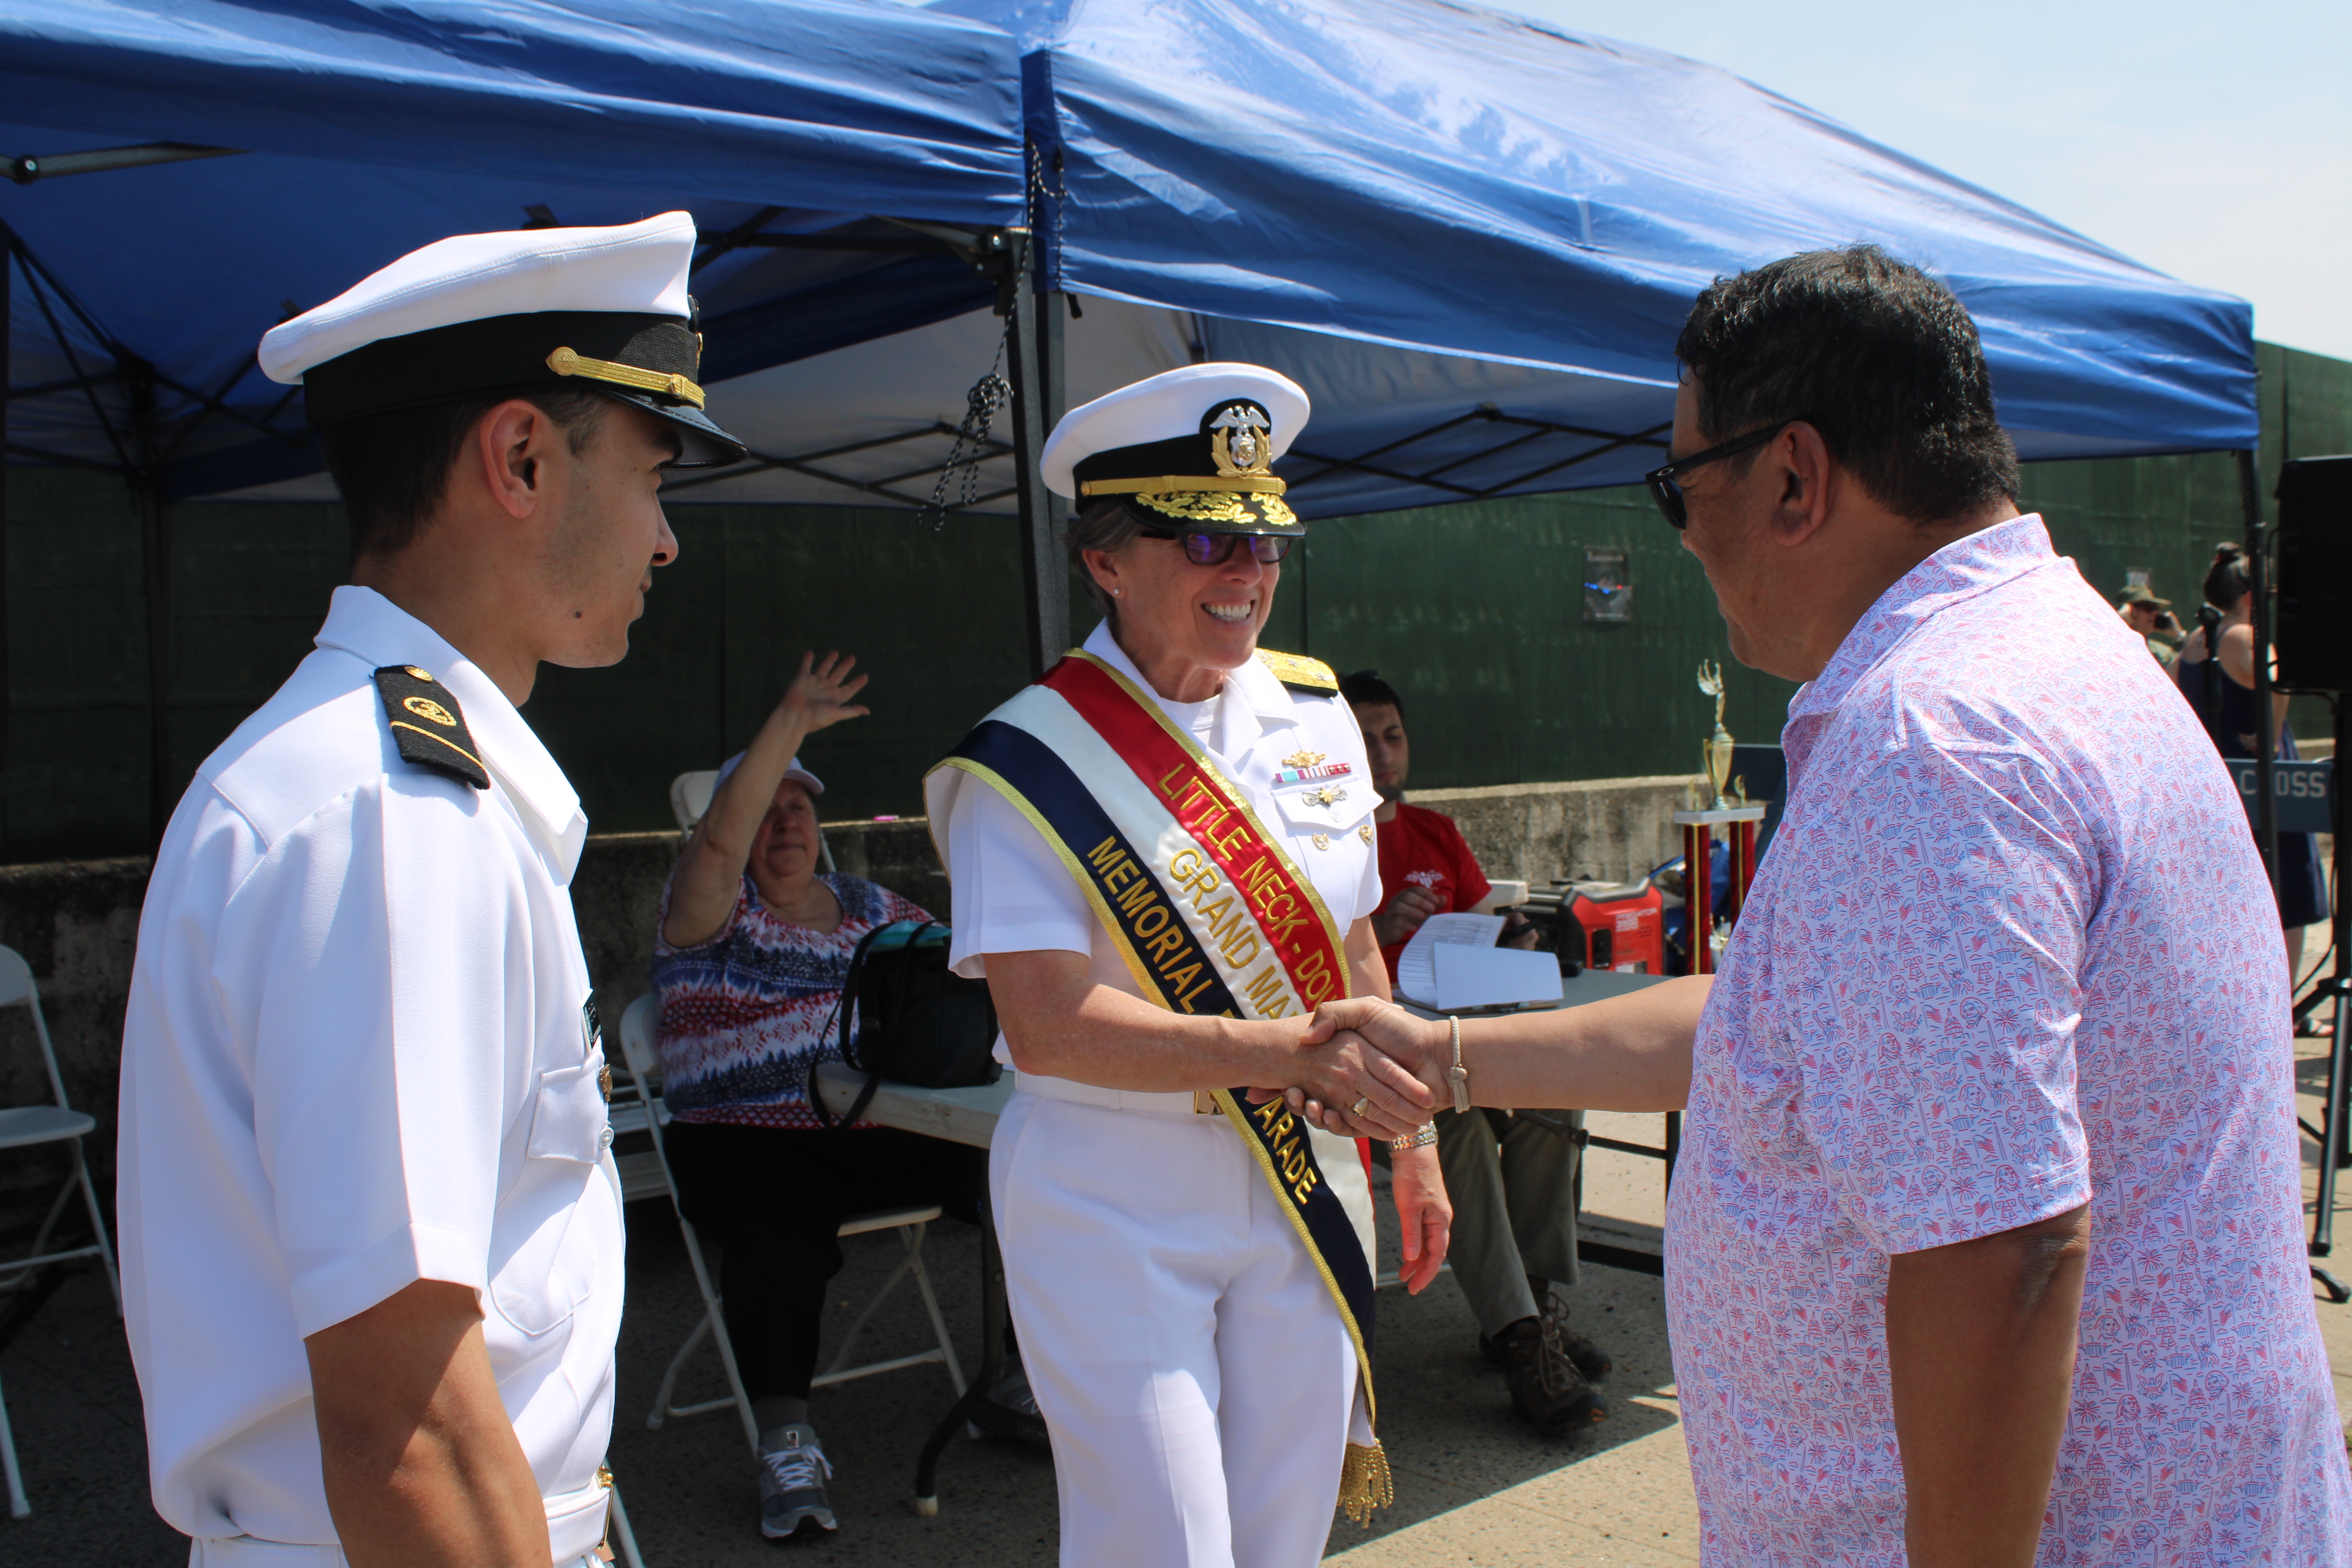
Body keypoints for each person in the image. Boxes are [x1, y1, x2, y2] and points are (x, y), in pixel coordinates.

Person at [1302, 247, 2352, 1565]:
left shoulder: (1935, 741)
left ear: (1792, 477)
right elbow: (1776, 1022)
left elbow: (2005, 1248)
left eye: (1680, 484)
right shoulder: (2048, 652)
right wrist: (1448, 1055)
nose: (1676, 532)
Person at [117, 213, 745, 1566]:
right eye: (652, 475)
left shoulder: (365, 781)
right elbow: (410, 1431)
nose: (665, 540)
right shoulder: (394, 820)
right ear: (520, 457)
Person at [926, 363, 1451, 1568]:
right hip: (1112, 1185)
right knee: (1160, 1541)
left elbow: (1356, 941)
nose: (1247, 574)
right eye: (1207, 541)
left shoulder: (1315, 711)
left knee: (1281, 1534)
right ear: (1105, 559)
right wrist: (1284, 1052)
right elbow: (1049, 1024)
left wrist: (1411, 1140)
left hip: (1301, 1171)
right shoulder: (1029, 758)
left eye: (1262, 541)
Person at [651, 659, 1007, 1540]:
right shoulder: (707, 909)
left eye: (799, 807)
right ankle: (786, 1440)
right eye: (766, 806)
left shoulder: (870, 905)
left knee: (1031, 1155)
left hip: (873, 1127)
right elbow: (722, 847)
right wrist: (787, 729)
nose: (785, 823)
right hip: (745, 1139)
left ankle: (1031, 1377)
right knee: (778, 1212)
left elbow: (946, 982)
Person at [1339, 668, 1609, 1438]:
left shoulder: (1436, 834)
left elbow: (1473, 937)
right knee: (1447, 1121)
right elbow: (1298, 968)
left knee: (1557, 1096)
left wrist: (1512, 937)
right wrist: (1377, 932)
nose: (1384, 754)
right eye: (1364, 740)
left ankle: (1532, 1303)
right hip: (1382, 1061)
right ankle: (1522, 1338)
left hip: (1464, 1034)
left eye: (1393, 736)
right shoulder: (1328, 850)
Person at [2173, 543, 2330, 984]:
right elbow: (2279, 681)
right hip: (2266, 786)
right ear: (2249, 598)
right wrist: (2270, 735)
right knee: (2291, 896)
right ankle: (2289, 1009)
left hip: (2222, 784)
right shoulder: (2244, 636)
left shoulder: (2194, 640)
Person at [2116, 581, 2184, 665]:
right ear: (2131, 611)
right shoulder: (2112, 647)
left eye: (2156, 608)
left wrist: (2179, 637)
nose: (2155, 613)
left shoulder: (2162, 654)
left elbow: (2185, 668)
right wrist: (2119, 621)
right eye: (2149, 608)